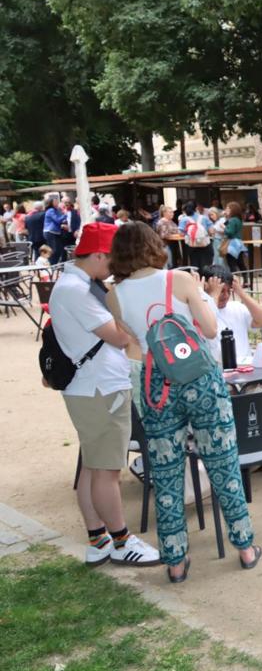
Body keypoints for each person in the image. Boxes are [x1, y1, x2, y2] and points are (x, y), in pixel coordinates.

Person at [106, 222, 260, 582]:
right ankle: (245, 547)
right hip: (199, 377)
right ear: (153, 245)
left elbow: (131, 349)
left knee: (166, 473)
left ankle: (175, 561)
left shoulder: (115, 295)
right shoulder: (179, 280)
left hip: (154, 384)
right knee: (223, 462)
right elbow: (209, 330)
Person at [49, 222, 160, 568]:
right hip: (100, 387)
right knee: (107, 470)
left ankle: (99, 539)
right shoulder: (77, 291)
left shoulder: (77, 284)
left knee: (93, 467)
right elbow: (119, 336)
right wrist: (125, 302)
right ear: (97, 254)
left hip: (92, 387)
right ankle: (122, 540)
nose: (115, 266)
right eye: (111, 259)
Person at [199, 263, 262, 362]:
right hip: (218, 370)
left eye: (229, 291)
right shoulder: (200, 311)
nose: (226, 295)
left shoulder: (237, 307)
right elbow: (209, 323)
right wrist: (213, 296)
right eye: (221, 291)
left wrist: (241, 293)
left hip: (245, 367)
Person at [222, 202, 247, 272]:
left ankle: (234, 279)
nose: (226, 210)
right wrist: (226, 217)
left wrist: (224, 228)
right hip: (238, 243)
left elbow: (230, 231)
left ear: (232, 210)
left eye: (228, 209)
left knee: (231, 263)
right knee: (240, 263)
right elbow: (227, 223)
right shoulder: (237, 219)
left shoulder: (233, 220)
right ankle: (246, 279)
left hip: (231, 244)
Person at [43, 194, 69, 264]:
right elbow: (57, 220)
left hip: (55, 232)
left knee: (59, 249)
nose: (57, 202)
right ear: (51, 202)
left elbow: (60, 219)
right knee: (54, 250)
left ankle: (54, 263)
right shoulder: (51, 210)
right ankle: (52, 264)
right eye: (56, 201)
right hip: (51, 232)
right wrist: (66, 214)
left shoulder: (56, 210)